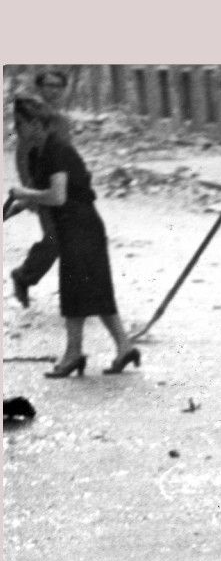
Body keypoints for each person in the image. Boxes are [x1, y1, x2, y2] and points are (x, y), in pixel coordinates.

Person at [6, 95, 140, 377]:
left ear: (34, 124)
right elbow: (38, 195)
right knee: (96, 290)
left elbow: (57, 196)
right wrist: (14, 207)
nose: (15, 131)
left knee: (75, 291)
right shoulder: (39, 153)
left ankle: (73, 354)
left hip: (82, 226)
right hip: (72, 226)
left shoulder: (57, 149)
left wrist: (24, 193)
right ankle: (125, 347)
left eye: (19, 125)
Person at [10, 69, 72, 308]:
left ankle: (76, 294)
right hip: (42, 188)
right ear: (40, 87)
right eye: (49, 85)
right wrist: (29, 189)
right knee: (56, 238)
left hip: (65, 186)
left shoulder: (62, 120)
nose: (54, 90)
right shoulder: (31, 116)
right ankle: (24, 276)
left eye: (58, 86)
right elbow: (22, 154)